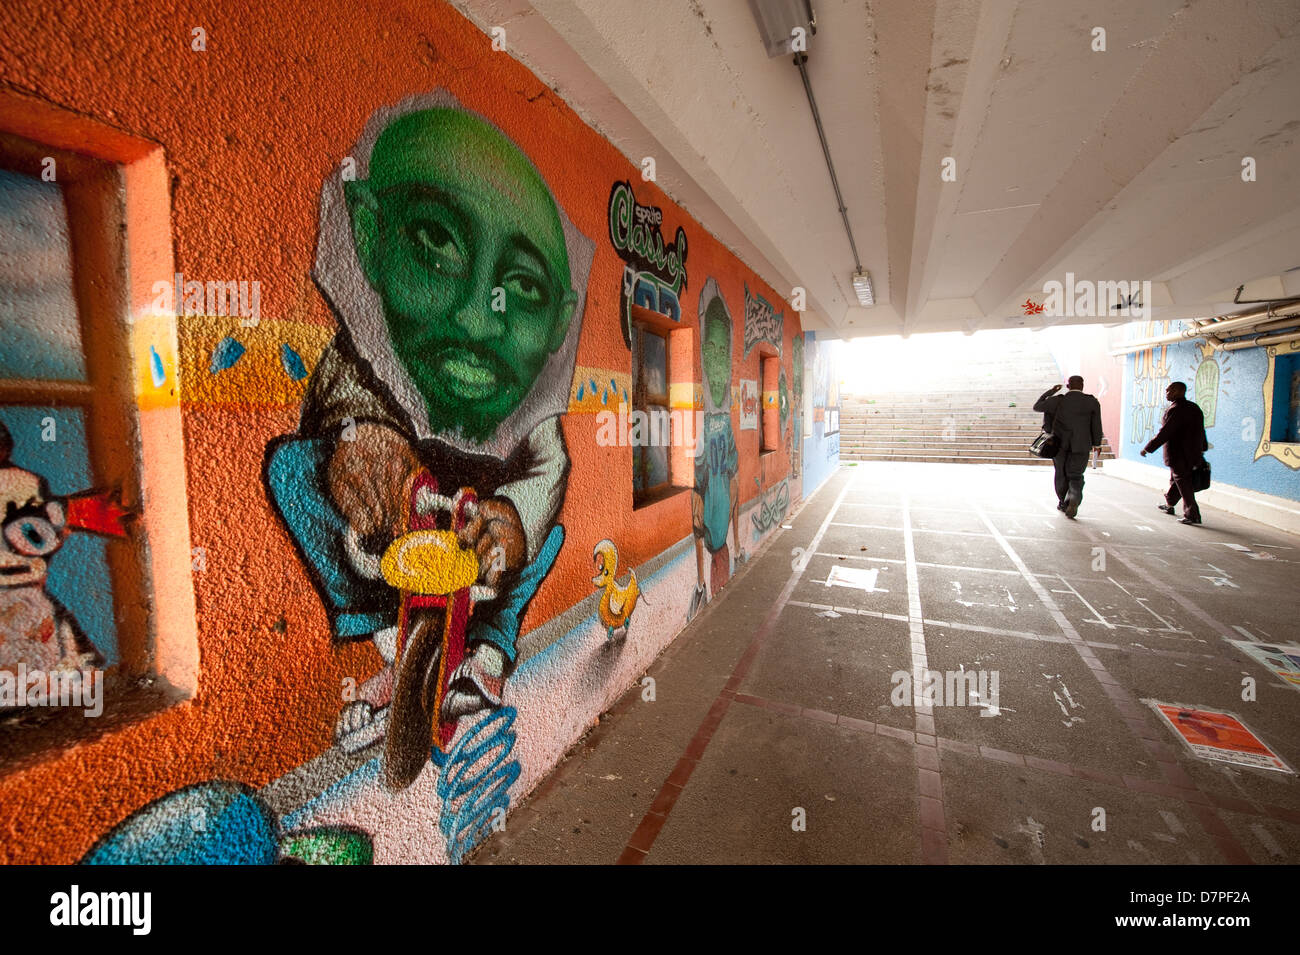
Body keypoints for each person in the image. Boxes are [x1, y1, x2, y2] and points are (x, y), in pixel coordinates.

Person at [265, 94, 593, 751]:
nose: (478, 320)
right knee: (294, 469)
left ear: (559, 318)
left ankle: (488, 660)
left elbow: (546, 465)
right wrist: (364, 442)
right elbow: (345, 392)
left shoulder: (532, 406)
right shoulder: (363, 348)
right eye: (436, 240)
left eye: (522, 287)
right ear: (368, 233)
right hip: (396, 538)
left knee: (546, 537)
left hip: (476, 535)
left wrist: (509, 522)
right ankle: (394, 645)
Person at [1033, 375, 1103, 519]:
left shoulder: (1058, 400)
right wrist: (1097, 444)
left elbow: (1037, 406)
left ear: (1068, 386)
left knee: (1061, 473)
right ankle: (1074, 495)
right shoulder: (1091, 402)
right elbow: (1096, 424)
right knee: (1076, 475)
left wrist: (1051, 391)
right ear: (1082, 386)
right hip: (1082, 445)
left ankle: (1063, 502)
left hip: (1059, 445)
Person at [1141, 380, 1208, 525]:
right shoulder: (1194, 408)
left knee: (1183, 483)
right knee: (1177, 480)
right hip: (1193, 453)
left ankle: (1192, 514)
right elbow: (1202, 430)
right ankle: (1170, 504)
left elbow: (1165, 433)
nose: (1166, 393)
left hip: (1178, 453)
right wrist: (1203, 447)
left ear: (1178, 391)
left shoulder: (1175, 409)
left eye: (1169, 390)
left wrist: (1148, 448)